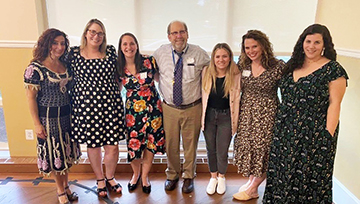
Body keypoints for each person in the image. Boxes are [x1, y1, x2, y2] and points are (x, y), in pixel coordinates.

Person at [262, 24, 348, 203]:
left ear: (325, 45)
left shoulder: (334, 69)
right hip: (284, 130)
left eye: (317, 42)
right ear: (302, 42)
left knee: (309, 178)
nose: (311, 46)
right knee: (282, 173)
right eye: (308, 41)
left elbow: (335, 104)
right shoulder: (293, 64)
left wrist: (327, 136)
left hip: (314, 132)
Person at [68, 19, 126, 197]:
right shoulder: (74, 54)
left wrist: (111, 95)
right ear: (86, 33)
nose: (96, 36)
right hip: (86, 108)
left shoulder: (109, 52)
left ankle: (110, 177)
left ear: (104, 36)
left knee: (112, 146)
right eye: (93, 32)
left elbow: (120, 77)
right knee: (93, 145)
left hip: (110, 106)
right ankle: (99, 179)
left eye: (100, 33)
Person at [24, 28, 81, 204]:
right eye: (55, 43)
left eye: (62, 43)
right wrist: (36, 124)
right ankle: (60, 189)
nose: (59, 47)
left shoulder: (65, 65)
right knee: (55, 153)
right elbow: (31, 99)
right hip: (48, 119)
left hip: (67, 116)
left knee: (66, 153)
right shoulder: (35, 68)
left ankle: (66, 186)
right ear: (47, 44)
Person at [153, 20, 210, 193]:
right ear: (169, 36)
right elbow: (155, 75)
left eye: (182, 32)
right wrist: (166, 89)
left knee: (190, 145)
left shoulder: (199, 53)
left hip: (193, 106)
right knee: (171, 144)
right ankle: (172, 175)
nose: (179, 36)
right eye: (175, 33)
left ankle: (188, 176)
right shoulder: (160, 53)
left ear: (187, 34)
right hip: (169, 108)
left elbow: (212, 74)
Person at [232, 30, 285, 201]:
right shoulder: (243, 65)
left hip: (267, 114)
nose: (251, 50)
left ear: (263, 45)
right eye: (247, 47)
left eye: (254, 46)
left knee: (264, 150)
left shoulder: (277, 66)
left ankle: (254, 187)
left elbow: (289, 90)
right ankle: (251, 182)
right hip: (247, 114)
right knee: (250, 148)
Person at [117, 32, 165, 194]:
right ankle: (136, 174)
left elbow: (160, 80)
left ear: (136, 45)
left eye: (132, 43)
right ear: (121, 47)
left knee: (151, 143)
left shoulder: (148, 61)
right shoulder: (119, 66)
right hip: (133, 113)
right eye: (125, 44)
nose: (129, 47)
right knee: (134, 144)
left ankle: (145, 176)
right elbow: (117, 90)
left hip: (153, 109)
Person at [201, 43, 241, 195]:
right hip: (209, 115)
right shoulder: (206, 72)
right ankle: (213, 177)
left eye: (225, 56)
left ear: (230, 58)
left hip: (226, 116)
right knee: (211, 148)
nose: (221, 60)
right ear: (213, 58)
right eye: (218, 56)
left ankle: (222, 176)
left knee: (222, 150)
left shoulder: (236, 74)